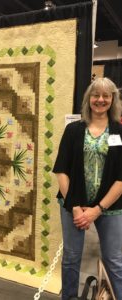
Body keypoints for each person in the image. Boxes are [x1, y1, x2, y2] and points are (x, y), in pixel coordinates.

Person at [53, 77, 122, 300]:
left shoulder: (119, 132)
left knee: (115, 260)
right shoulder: (73, 130)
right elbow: (61, 170)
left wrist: (98, 209)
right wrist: (74, 207)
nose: (100, 100)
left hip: (110, 207)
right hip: (74, 204)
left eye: (106, 95)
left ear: (113, 99)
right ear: (88, 99)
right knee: (71, 257)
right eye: (96, 95)